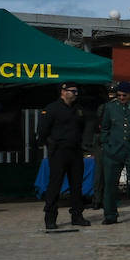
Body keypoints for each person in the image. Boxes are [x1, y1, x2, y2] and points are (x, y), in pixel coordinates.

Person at [37, 82, 92, 230]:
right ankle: (50, 217)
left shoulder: (78, 109)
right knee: (55, 185)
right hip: (59, 152)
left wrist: (84, 144)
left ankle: (77, 215)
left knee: (77, 185)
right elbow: (42, 130)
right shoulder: (52, 109)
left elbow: (84, 126)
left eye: (76, 91)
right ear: (63, 91)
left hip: (75, 151)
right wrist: (51, 144)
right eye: (72, 91)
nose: (75, 94)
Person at [99, 81, 130, 225]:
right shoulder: (110, 107)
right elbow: (105, 128)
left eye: (124, 95)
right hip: (113, 151)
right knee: (110, 184)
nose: (121, 97)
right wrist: (105, 144)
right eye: (119, 95)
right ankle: (110, 214)